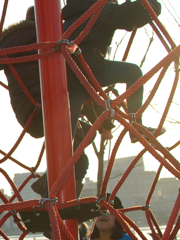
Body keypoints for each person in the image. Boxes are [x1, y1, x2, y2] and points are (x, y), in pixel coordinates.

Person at [0, 6, 96, 198]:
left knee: (81, 145)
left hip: (30, 113)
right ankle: (57, 192)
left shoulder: (16, 45)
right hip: (43, 109)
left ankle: (54, 189)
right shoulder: (46, 44)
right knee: (84, 111)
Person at [63, 0, 165, 143]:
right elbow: (134, 13)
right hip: (88, 67)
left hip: (67, 76)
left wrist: (104, 125)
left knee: (66, 138)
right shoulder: (100, 10)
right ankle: (137, 127)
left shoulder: (69, 20)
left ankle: (63, 162)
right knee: (133, 72)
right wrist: (152, 3)